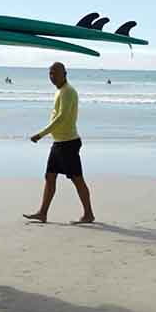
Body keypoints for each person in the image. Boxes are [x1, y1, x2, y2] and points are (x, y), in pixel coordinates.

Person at [24, 62, 95, 224]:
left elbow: (61, 118)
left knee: (77, 179)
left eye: (55, 73)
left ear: (65, 73)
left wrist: (41, 134)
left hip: (68, 143)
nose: (52, 77)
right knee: (49, 177)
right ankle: (42, 213)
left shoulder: (68, 92)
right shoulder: (61, 92)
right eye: (50, 74)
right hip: (59, 142)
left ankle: (89, 214)